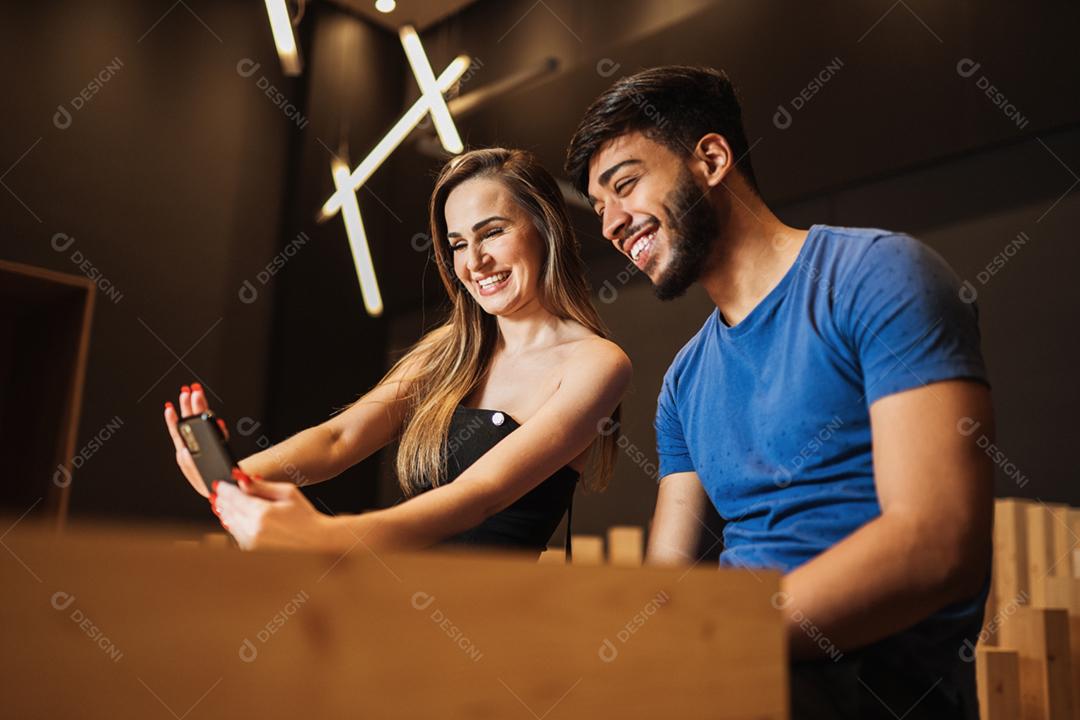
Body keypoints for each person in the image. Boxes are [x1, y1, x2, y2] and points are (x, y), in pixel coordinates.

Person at [566, 66, 994, 719]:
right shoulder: (684, 381)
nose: (612, 225)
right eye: (599, 209)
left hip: (875, 681)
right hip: (732, 672)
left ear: (710, 158)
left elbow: (937, 545)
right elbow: (666, 586)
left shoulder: (877, 275)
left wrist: (712, 641)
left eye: (625, 186)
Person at [162, 148, 631, 559]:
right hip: (392, 593)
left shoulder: (596, 363)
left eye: (492, 232)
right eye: (457, 244)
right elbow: (338, 439)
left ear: (544, 229)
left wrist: (326, 536)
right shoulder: (445, 353)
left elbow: (479, 495)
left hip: (485, 619)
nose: (474, 262)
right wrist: (229, 478)